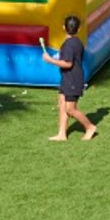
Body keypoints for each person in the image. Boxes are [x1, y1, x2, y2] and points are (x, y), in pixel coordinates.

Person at [39, 14, 98, 142]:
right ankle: (62, 134)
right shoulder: (77, 43)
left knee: (70, 109)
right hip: (69, 78)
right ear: (79, 28)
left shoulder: (68, 45)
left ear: (64, 27)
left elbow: (68, 63)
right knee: (61, 104)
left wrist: (50, 60)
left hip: (72, 80)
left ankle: (90, 127)